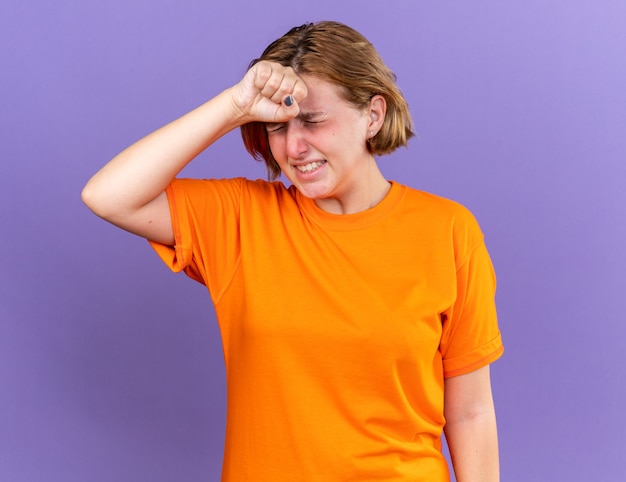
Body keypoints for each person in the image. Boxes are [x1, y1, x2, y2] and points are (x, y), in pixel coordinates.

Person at [82, 20, 503, 482]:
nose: (293, 147)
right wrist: (234, 105)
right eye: (277, 127)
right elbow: (109, 195)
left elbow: (470, 412)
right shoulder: (241, 220)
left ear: (373, 115)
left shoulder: (448, 230)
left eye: (313, 120)